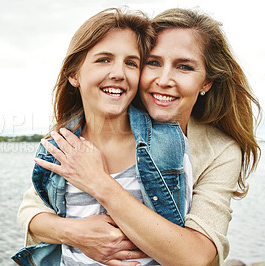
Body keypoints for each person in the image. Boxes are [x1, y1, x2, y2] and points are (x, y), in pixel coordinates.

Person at [15, 7, 262, 266]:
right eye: (153, 62)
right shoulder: (98, 123)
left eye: (185, 67)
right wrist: (80, 236)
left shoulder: (219, 150)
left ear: (206, 82)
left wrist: (100, 183)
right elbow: (32, 210)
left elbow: (197, 257)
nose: (164, 80)